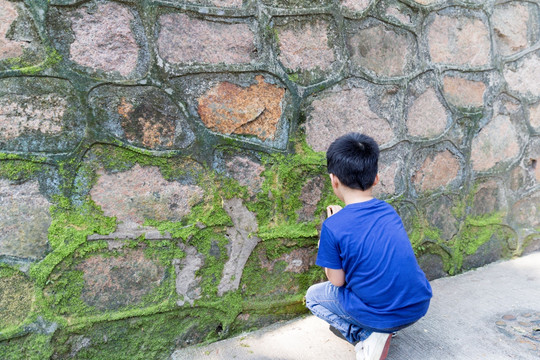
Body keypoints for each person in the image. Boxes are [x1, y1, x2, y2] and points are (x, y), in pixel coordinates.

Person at [305, 133, 432, 360]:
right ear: (375, 179)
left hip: (382, 314)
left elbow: (337, 281)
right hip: (418, 306)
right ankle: (382, 330)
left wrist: (328, 241)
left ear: (334, 180)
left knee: (313, 297)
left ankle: (365, 334)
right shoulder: (388, 211)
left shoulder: (333, 227)